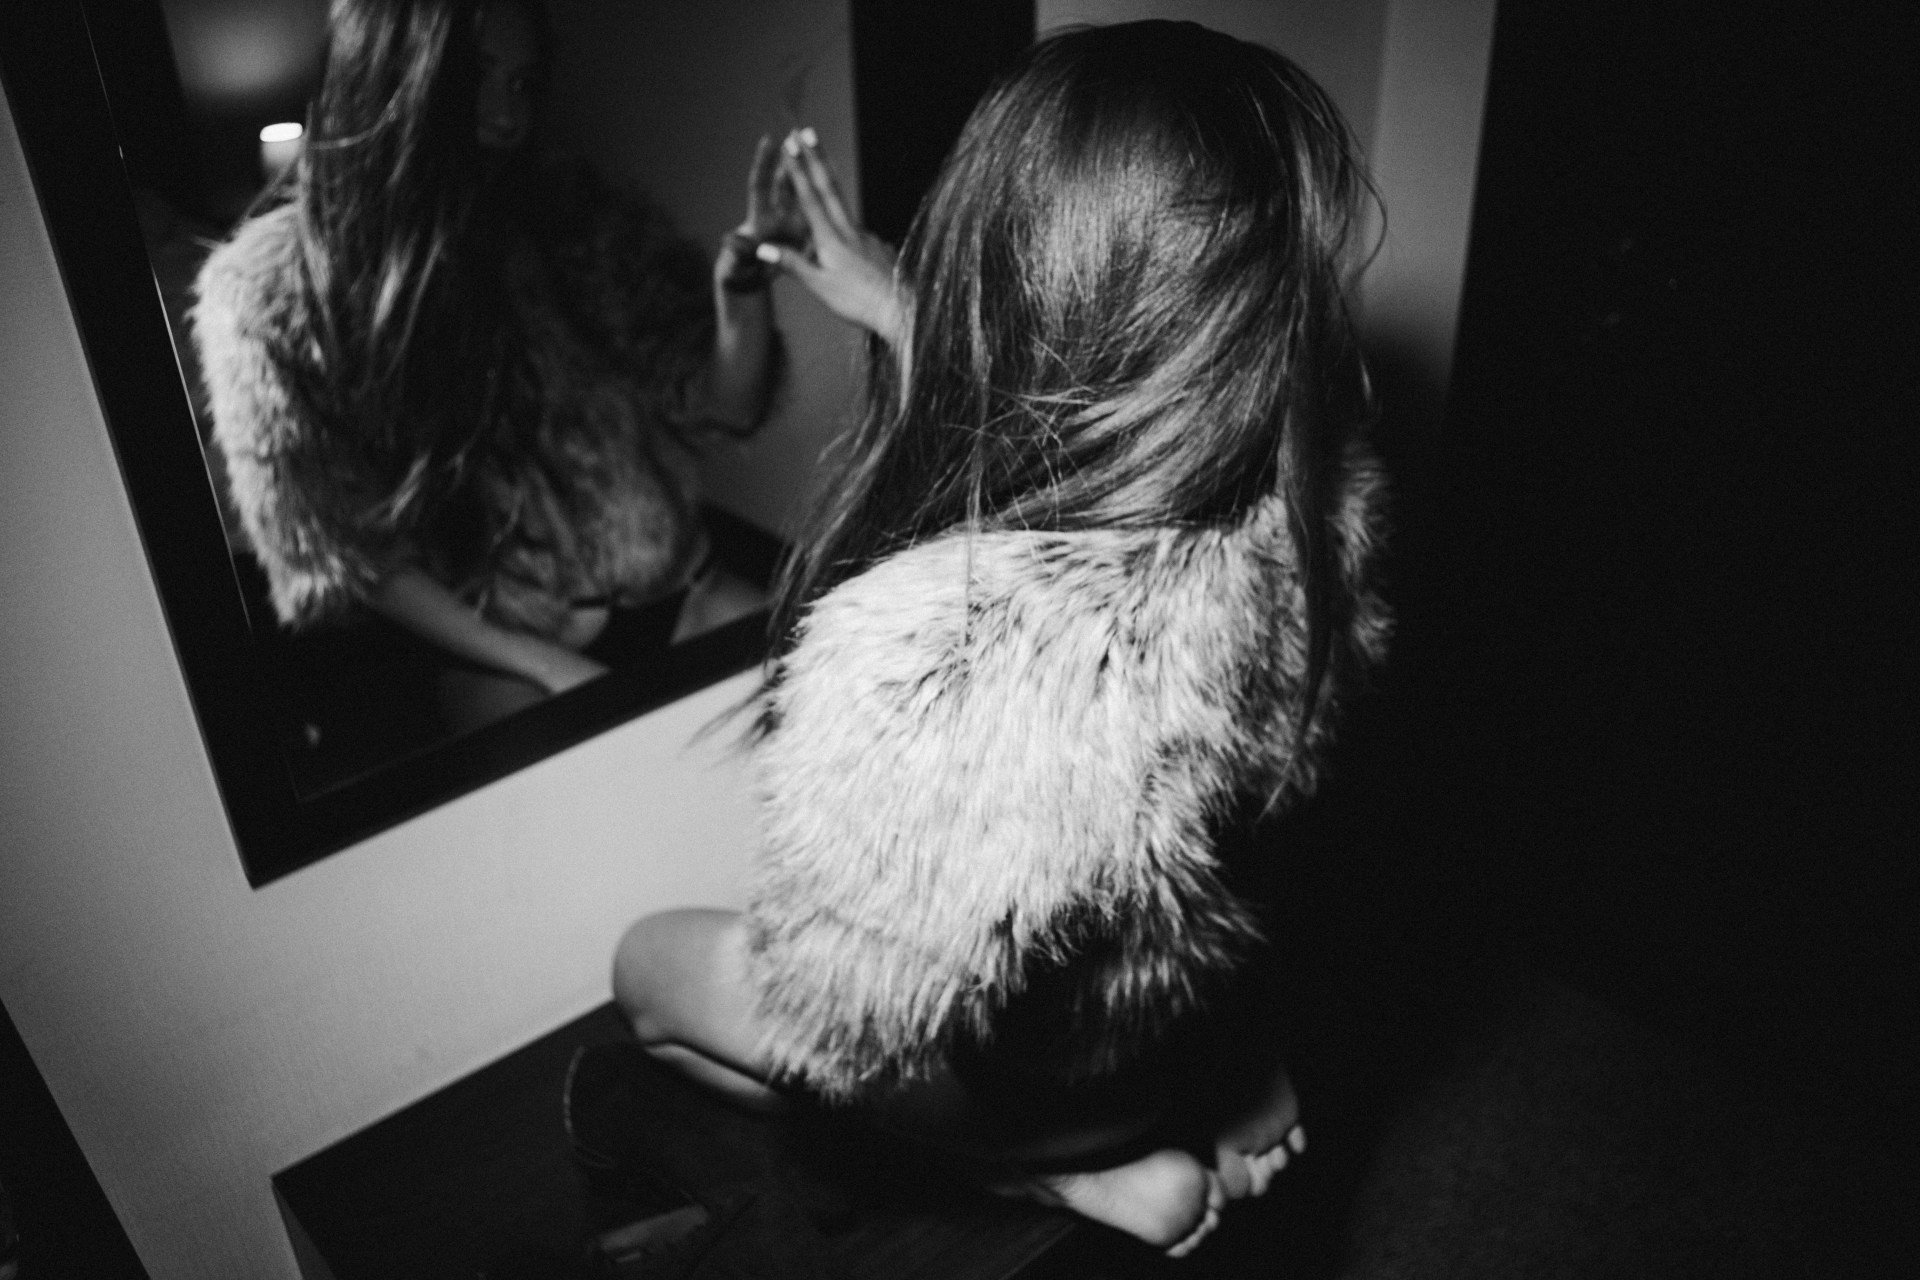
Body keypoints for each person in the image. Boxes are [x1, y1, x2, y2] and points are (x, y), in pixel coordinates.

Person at [611, 21, 1389, 1256]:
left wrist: (1025, 1150)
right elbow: (1103, 433)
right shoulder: (1309, 510)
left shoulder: (948, 674)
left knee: (647, 973)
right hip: (1186, 1029)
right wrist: (888, 299)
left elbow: (848, 1035)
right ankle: (1189, 1098)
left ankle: (1038, 1178)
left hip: (1049, 1105)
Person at [193, 0, 800, 734]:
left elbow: (724, 408)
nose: (505, 116)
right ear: (396, 76)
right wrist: (542, 665)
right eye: (474, 78)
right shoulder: (270, 296)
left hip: (682, 588)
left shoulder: (568, 216)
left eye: (521, 84)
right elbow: (338, 552)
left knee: (817, 730)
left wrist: (741, 300)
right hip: (507, 654)